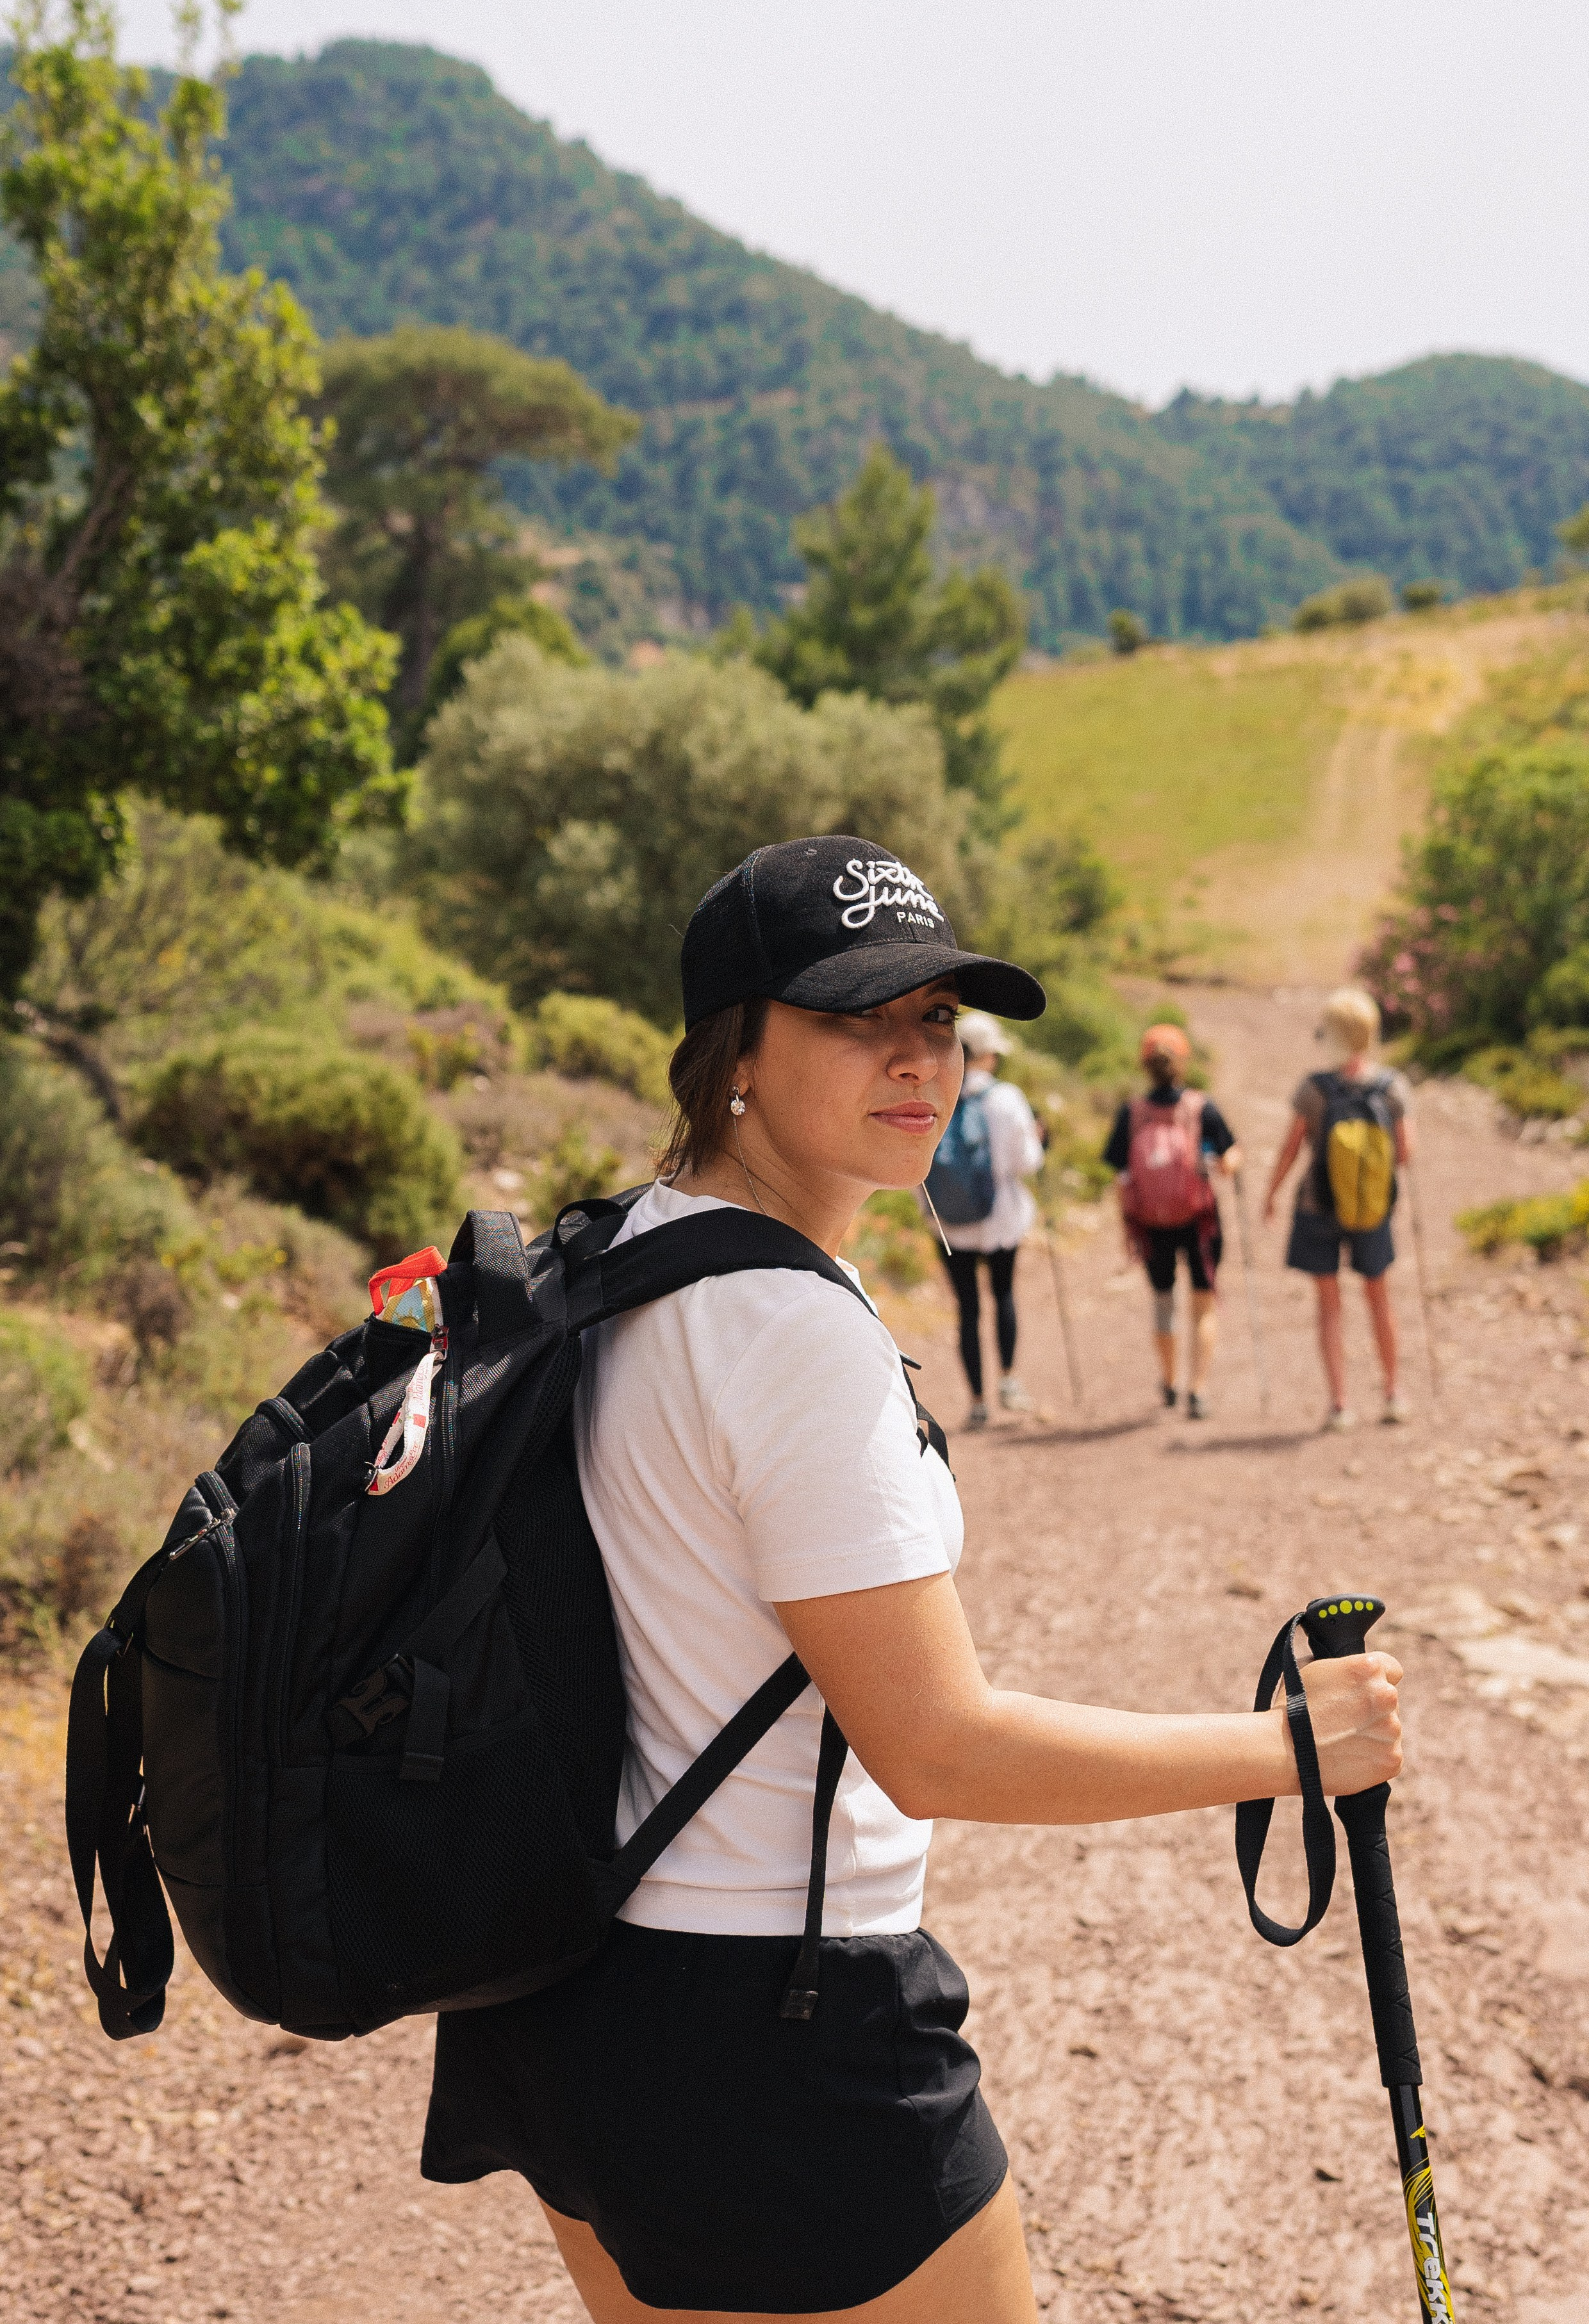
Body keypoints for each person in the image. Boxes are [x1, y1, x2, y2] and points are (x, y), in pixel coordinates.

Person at [422, 836, 1405, 2323]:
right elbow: (938, 1747)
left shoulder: (609, 1259)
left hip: (556, 1992)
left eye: (937, 1016)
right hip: (774, 2022)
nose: (916, 1058)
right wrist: (1290, 1750)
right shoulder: (788, 1331)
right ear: (732, 1054)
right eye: (851, 1016)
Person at [1262, 985, 1414, 1432]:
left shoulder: (1314, 1089)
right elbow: (1405, 1154)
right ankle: (1393, 1393)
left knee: (1329, 1304)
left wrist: (1271, 1192)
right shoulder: (1392, 1087)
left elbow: (1291, 1149)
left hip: (1318, 1205)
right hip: (1372, 1209)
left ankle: (1340, 1404)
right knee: (1378, 1297)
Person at [1104, 1024, 1241, 1420]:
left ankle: (1168, 1382)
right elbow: (1229, 1159)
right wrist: (1228, 1164)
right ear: (1183, 1062)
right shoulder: (1202, 1108)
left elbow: (1121, 1178)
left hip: (1151, 1224)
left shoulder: (1132, 1113)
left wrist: (1127, 1228)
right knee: (1203, 1304)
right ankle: (1197, 1390)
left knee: (1163, 1302)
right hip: (1199, 1220)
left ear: (1145, 1065)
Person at [929, 1008, 1047, 1430]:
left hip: (948, 1225)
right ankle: (1009, 1382)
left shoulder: (935, 1095)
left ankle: (977, 1401)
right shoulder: (1006, 1099)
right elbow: (1028, 1163)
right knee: (1004, 1294)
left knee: (967, 1310)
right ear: (984, 1055)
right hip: (1002, 1222)